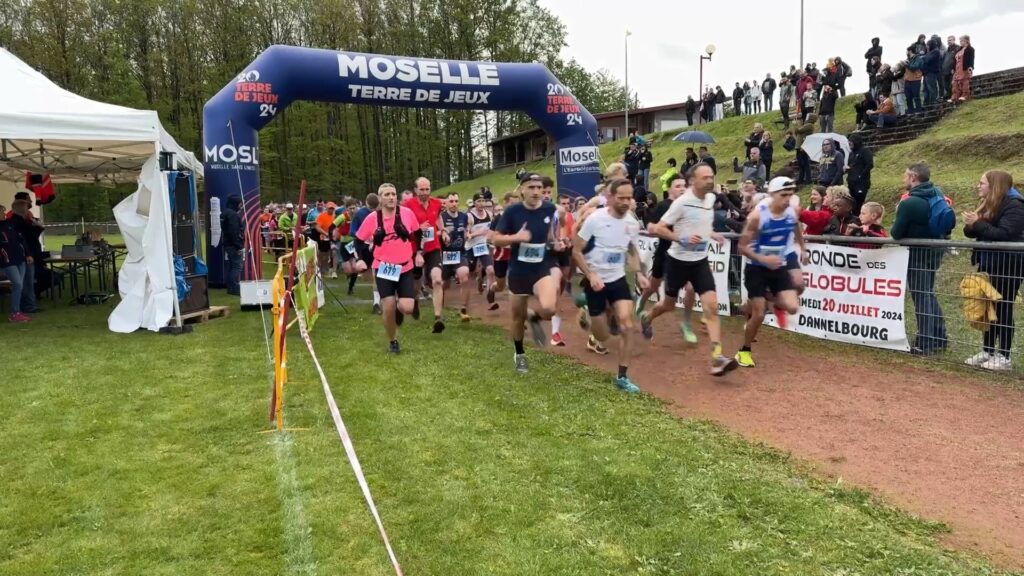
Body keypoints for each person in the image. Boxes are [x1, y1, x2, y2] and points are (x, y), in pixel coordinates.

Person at [641, 164, 739, 376]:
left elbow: (702, 223)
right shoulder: (682, 202)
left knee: (711, 307)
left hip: (700, 261)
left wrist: (711, 234)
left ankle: (717, 357)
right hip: (677, 261)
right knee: (667, 305)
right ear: (693, 181)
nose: (710, 180)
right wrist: (681, 238)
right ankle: (647, 317)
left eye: (712, 176)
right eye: (705, 177)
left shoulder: (711, 199)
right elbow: (658, 228)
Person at [573, 178, 647, 392]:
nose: (626, 202)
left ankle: (622, 377)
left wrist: (640, 273)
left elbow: (632, 250)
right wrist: (590, 274)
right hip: (595, 280)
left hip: (617, 279)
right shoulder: (595, 219)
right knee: (603, 336)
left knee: (627, 325)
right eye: (621, 198)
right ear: (611, 197)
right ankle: (587, 313)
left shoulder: (632, 223)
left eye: (629, 198)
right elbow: (576, 251)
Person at [735, 177, 808, 368]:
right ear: (772, 195)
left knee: (792, 307)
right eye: (783, 195)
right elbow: (742, 246)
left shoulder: (791, 211)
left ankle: (770, 299)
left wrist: (803, 248)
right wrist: (763, 258)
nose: (787, 199)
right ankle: (744, 350)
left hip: (779, 265)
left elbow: (796, 226)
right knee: (758, 314)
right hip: (756, 267)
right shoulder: (758, 216)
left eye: (790, 195)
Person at [491, 173, 559, 374]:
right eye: (531, 187)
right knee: (517, 318)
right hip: (519, 271)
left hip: (540, 269)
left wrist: (556, 242)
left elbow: (549, 234)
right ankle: (519, 354)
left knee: (549, 308)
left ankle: (536, 317)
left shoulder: (549, 208)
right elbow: (495, 239)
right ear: (521, 190)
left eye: (539, 187)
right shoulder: (512, 212)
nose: (536, 191)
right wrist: (516, 237)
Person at [962, 170, 1024, 371]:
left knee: (1003, 306)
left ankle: (1004, 356)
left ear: (994, 185)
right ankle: (988, 350)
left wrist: (977, 224)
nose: (978, 186)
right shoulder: (989, 204)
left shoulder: (1015, 205)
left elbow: (1005, 234)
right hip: (988, 263)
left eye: (982, 183)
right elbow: (973, 232)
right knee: (987, 307)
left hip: (1009, 264)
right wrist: (972, 225)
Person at [891, 162, 949, 356]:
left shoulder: (909, 203)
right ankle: (939, 335)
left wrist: (900, 210)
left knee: (921, 296)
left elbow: (896, 233)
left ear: (913, 178)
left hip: (916, 254)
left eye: (905, 175)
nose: (903, 179)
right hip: (935, 251)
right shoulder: (937, 193)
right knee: (927, 293)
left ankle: (925, 342)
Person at [355, 184, 421, 354]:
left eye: (393, 194)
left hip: (405, 266)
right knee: (388, 305)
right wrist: (361, 260)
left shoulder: (407, 213)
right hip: (384, 267)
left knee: (406, 308)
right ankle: (393, 340)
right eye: (387, 194)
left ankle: (404, 306)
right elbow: (358, 240)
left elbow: (418, 233)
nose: (391, 197)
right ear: (380, 198)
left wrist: (419, 252)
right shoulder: (372, 218)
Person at [636, 173, 685, 318]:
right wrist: (665, 233)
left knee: (689, 287)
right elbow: (651, 226)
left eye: (684, 186)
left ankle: (687, 322)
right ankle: (642, 301)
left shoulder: (688, 205)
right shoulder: (663, 206)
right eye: (678, 186)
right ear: (670, 189)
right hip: (664, 251)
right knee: (654, 285)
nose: (682, 189)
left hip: (683, 255)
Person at [402, 177, 444, 330]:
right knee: (415, 284)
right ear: (415, 190)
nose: (425, 192)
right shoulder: (407, 206)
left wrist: (443, 230)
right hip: (414, 249)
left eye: (427, 189)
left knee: (437, 280)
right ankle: (416, 300)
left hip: (433, 247)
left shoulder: (437, 203)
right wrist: (418, 228)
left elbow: (438, 217)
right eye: (422, 190)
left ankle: (438, 317)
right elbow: (402, 227)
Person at [439, 192, 473, 323]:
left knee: (464, 275)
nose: (454, 204)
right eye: (451, 201)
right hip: (445, 255)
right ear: (446, 203)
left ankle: (464, 309)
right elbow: (435, 232)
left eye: (456, 201)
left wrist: (468, 233)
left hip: (460, 253)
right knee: (443, 285)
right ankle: (439, 310)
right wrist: (442, 234)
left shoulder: (464, 216)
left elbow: (467, 228)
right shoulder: (441, 217)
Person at [486, 191, 521, 310]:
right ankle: (492, 289)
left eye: (516, 205)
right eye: (511, 204)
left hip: (515, 256)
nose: (514, 207)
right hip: (501, 256)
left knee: (515, 284)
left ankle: (519, 315)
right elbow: (489, 237)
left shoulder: (520, 218)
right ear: (505, 203)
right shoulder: (498, 218)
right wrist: (504, 241)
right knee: (500, 286)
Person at [0, 205, 31, 322]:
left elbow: (21, 239)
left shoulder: (10, 224)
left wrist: (27, 254)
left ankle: (17, 311)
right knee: (17, 284)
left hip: (20, 259)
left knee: (19, 286)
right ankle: (14, 312)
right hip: (8, 261)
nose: (4, 213)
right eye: (2, 212)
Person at [352, 193, 381, 314]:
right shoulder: (360, 214)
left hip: (380, 248)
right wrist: (365, 238)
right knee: (369, 275)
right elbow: (354, 232)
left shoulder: (384, 213)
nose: (373, 211)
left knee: (378, 275)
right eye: (371, 208)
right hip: (364, 248)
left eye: (375, 208)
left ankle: (377, 303)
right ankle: (376, 302)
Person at [466, 192, 496, 310]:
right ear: (474, 203)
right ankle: (477, 281)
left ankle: (491, 298)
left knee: (490, 270)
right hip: (471, 247)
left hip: (484, 246)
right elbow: (466, 234)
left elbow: (492, 230)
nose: (481, 203)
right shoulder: (469, 216)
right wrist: (476, 233)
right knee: (471, 272)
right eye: (478, 201)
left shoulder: (489, 214)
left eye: (483, 201)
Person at [220, 195, 244, 296]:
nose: (241, 206)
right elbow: (234, 232)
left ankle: (230, 288)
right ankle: (233, 288)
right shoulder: (233, 215)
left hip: (227, 243)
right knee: (237, 267)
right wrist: (238, 246)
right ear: (235, 203)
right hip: (233, 245)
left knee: (232, 266)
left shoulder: (224, 213)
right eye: (240, 204)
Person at [846, 133, 874, 214]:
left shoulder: (865, 151)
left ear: (856, 141)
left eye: (851, 142)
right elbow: (851, 165)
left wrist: (860, 176)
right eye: (849, 142)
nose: (849, 144)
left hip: (861, 184)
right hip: (851, 183)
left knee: (858, 206)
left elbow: (870, 164)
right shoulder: (851, 154)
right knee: (852, 205)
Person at [951, 35, 974, 102]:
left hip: (964, 67)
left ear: (966, 41)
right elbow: (954, 60)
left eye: (962, 40)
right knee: (954, 82)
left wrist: (970, 67)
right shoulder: (959, 49)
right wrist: (953, 68)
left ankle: (965, 95)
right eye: (960, 40)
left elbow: (971, 59)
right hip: (957, 68)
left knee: (964, 81)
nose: (960, 42)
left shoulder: (970, 49)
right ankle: (955, 96)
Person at [941, 35, 960, 101]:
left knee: (952, 84)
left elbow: (957, 59)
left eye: (950, 40)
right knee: (946, 86)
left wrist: (954, 68)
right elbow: (943, 60)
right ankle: (949, 96)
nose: (948, 42)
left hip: (952, 70)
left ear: (954, 40)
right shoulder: (947, 50)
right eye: (948, 40)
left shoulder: (958, 48)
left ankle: (954, 97)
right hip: (945, 71)